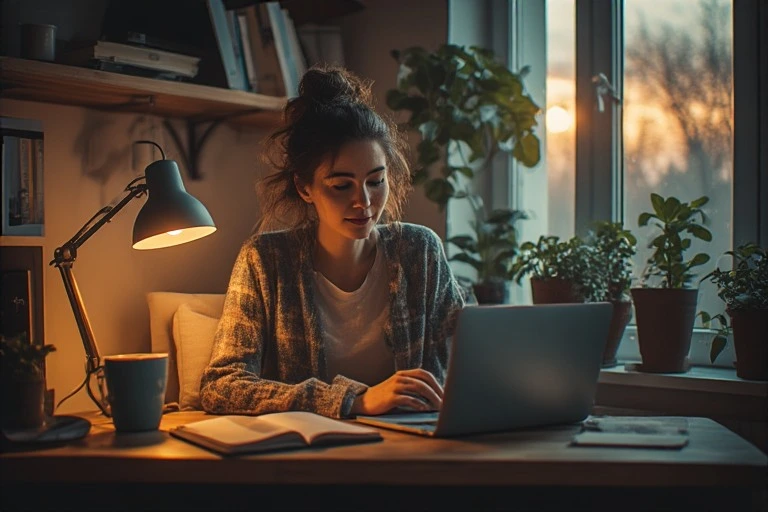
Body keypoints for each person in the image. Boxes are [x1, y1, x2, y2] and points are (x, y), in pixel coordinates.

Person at [199, 66, 466, 419]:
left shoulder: (420, 251)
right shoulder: (265, 261)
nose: (364, 202)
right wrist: (353, 400)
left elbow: (470, 358)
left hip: (414, 438)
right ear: (304, 187)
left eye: (376, 181)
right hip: (313, 445)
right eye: (341, 186)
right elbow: (221, 386)